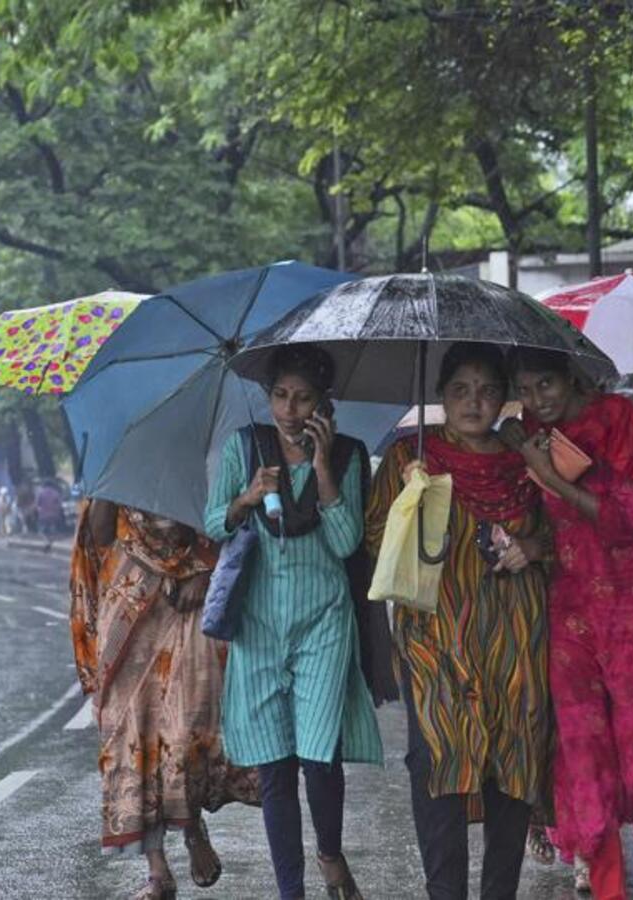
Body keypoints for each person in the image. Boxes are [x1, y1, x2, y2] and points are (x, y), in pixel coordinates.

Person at [365, 343, 553, 900]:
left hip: (515, 633)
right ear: (441, 395)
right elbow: (374, 540)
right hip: (435, 632)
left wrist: (531, 547)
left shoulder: (528, 460)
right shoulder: (408, 456)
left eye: (488, 389)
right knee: (438, 756)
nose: (475, 402)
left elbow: (565, 533)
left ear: (505, 397)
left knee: (512, 759)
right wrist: (415, 506)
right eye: (460, 389)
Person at [501, 348, 633, 900]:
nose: (537, 400)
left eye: (546, 385)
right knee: (584, 763)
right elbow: (542, 526)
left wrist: (547, 473)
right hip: (569, 613)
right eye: (526, 390)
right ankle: (608, 890)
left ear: (573, 377)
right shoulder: (530, 429)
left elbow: (625, 521)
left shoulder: (618, 419)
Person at [203, 343, 381, 900]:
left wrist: (323, 469)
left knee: (319, 753)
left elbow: (347, 540)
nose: (289, 408)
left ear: (324, 404)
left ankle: (330, 856)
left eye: (303, 398)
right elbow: (214, 523)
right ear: (267, 396)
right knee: (276, 768)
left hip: (323, 621)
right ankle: (291, 891)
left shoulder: (349, 456)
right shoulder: (245, 447)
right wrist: (247, 496)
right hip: (258, 625)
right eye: (280, 395)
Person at [70, 498, 258, 899]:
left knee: (186, 727)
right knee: (131, 736)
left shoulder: (200, 452)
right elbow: (101, 534)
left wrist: (204, 569)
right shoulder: (119, 457)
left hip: (189, 597)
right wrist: (104, 484)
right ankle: (157, 870)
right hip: (127, 601)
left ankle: (191, 827)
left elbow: (228, 522)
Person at [37, 480, 67, 552]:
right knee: (52, 531)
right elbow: (60, 504)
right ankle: (50, 543)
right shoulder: (56, 493)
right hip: (54, 515)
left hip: (43, 516)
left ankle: (47, 542)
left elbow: (38, 504)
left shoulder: (41, 493)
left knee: (41, 531)